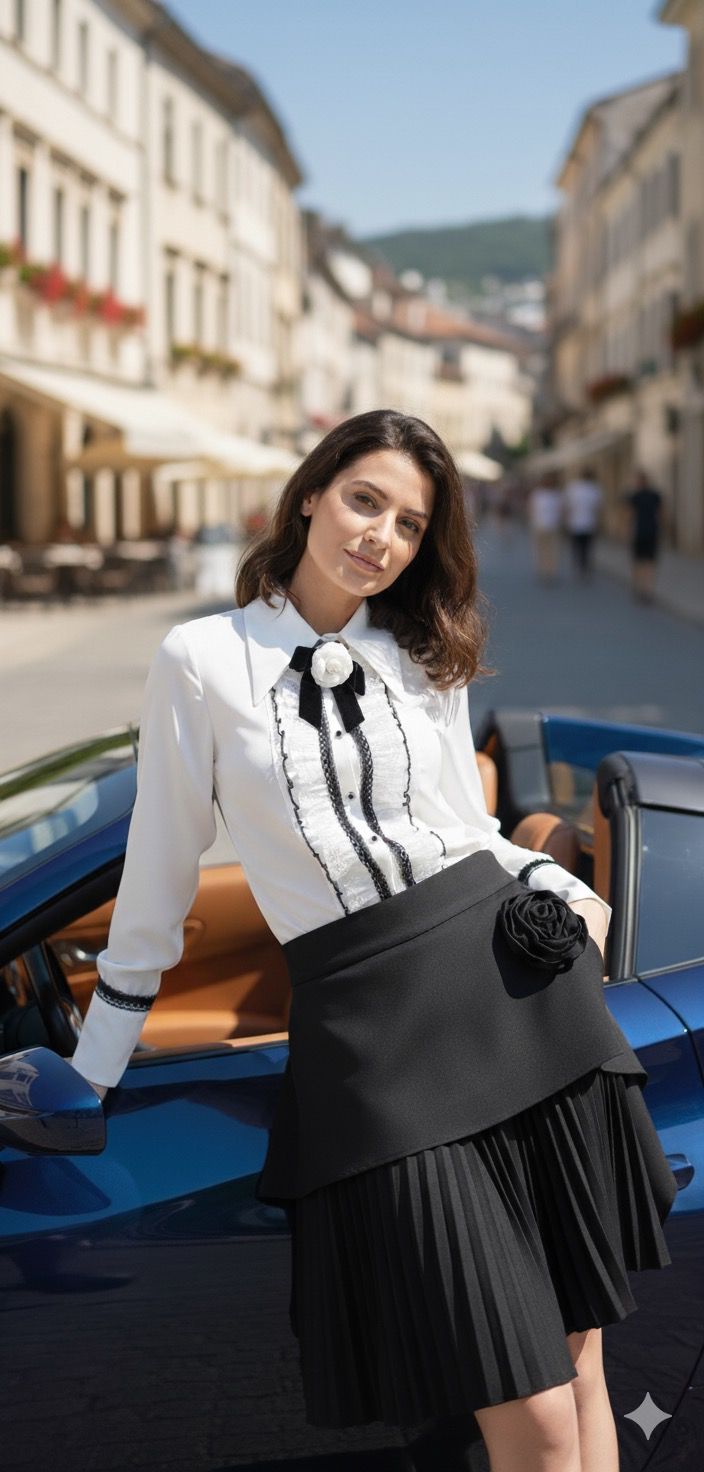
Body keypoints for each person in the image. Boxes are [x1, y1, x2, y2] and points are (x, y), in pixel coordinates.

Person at [67, 410, 677, 1472]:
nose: (380, 535)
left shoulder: (414, 649)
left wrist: (554, 883)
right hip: (374, 1039)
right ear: (310, 492)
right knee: (525, 1409)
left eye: (408, 521)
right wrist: (91, 1071)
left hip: (511, 990)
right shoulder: (202, 657)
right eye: (363, 500)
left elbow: (464, 829)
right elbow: (158, 869)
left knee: (579, 1357)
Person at [621, 467, 664, 604]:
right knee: (650, 563)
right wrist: (662, 531)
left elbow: (628, 515)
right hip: (652, 531)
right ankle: (648, 589)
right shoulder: (655, 495)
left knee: (638, 562)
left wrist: (626, 532)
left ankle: (638, 588)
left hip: (639, 532)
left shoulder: (634, 496)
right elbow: (662, 514)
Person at [563, 466, 603, 580]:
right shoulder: (595, 489)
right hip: (590, 523)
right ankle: (585, 568)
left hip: (575, 523)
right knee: (587, 547)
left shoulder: (573, 488)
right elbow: (598, 508)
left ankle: (579, 567)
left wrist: (567, 521)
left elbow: (568, 507)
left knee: (577, 546)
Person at [527, 472, 563, 583]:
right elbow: (561, 511)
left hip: (540, 525)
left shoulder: (537, 494)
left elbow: (531, 510)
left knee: (541, 550)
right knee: (552, 550)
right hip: (552, 526)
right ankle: (550, 571)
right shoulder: (556, 495)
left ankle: (543, 570)